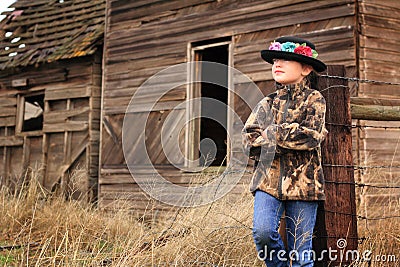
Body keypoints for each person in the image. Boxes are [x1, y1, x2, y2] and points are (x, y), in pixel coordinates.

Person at [242, 36, 328, 267]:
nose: (277, 64)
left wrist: (270, 133)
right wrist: (286, 134)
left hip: (304, 184)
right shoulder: (267, 103)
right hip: (266, 181)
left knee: (301, 252)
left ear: (306, 68)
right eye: (275, 60)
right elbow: (247, 140)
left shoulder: (315, 100)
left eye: (286, 60)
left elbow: (309, 137)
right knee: (262, 233)